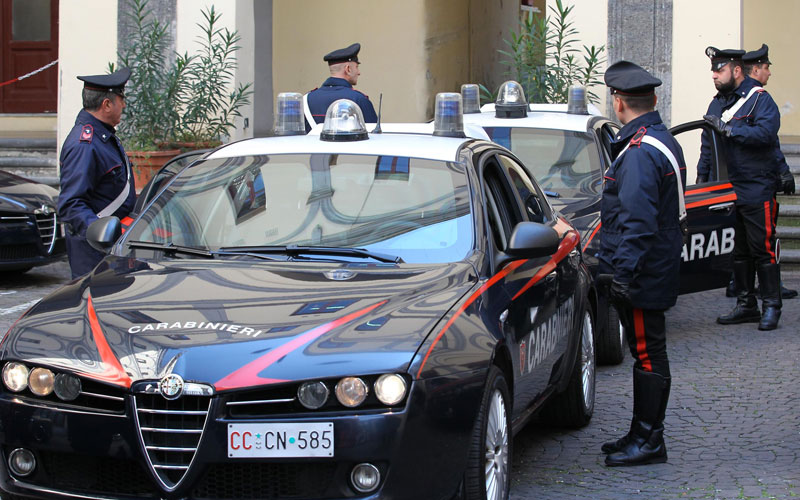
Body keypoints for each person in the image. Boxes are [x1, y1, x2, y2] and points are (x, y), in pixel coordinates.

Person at [599, 61, 686, 467]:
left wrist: (622, 276)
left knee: (649, 355)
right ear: (652, 100)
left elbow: (637, 222)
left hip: (644, 272)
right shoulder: (658, 139)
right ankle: (641, 432)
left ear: (618, 102)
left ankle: (650, 440)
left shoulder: (638, 152)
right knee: (647, 353)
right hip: (656, 267)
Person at [700, 47, 783, 331]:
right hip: (725, 189)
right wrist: (702, 184)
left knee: (763, 248)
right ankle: (747, 304)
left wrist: (731, 131)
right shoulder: (716, 104)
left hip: (756, 186)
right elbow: (707, 147)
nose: (714, 75)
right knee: (738, 251)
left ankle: (771, 305)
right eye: (713, 70)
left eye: (719, 70)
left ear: (736, 71)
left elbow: (766, 134)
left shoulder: (759, 99)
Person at [58, 68, 136, 279]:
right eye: (121, 99)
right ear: (107, 104)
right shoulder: (85, 144)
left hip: (110, 247)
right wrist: (101, 232)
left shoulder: (102, 135)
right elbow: (71, 204)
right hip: (95, 251)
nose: (124, 105)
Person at [741, 44, 797, 299]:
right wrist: (782, 171)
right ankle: (767, 296)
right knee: (762, 242)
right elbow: (767, 140)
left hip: (752, 182)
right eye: (766, 68)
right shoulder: (757, 99)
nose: (769, 73)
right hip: (755, 182)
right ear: (756, 69)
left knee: (753, 242)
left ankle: (751, 294)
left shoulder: (743, 99)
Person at [303, 42, 377, 131]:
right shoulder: (359, 100)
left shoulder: (306, 99)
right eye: (357, 67)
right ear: (348, 69)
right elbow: (374, 138)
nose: (359, 72)